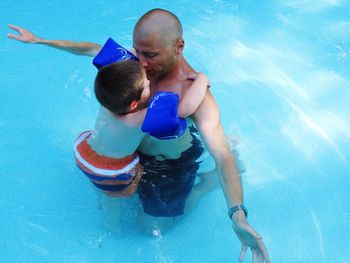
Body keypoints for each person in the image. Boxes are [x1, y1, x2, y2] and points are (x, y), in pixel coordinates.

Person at [7, 8, 271, 262]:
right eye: (138, 51)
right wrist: (40, 41)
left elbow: (222, 154)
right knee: (106, 198)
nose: (141, 63)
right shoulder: (133, 64)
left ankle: (204, 185)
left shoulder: (193, 94)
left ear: (178, 47)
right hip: (131, 156)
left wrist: (237, 214)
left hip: (171, 164)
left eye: (151, 55)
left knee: (149, 227)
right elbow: (92, 49)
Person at [74, 59, 210, 233]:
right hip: (110, 169)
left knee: (105, 194)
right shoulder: (135, 120)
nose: (149, 83)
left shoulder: (108, 100)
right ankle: (112, 225)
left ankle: (103, 203)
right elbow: (184, 109)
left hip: (85, 151)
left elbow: (117, 73)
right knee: (112, 197)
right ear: (133, 105)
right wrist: (202, 79)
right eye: (147, 85)